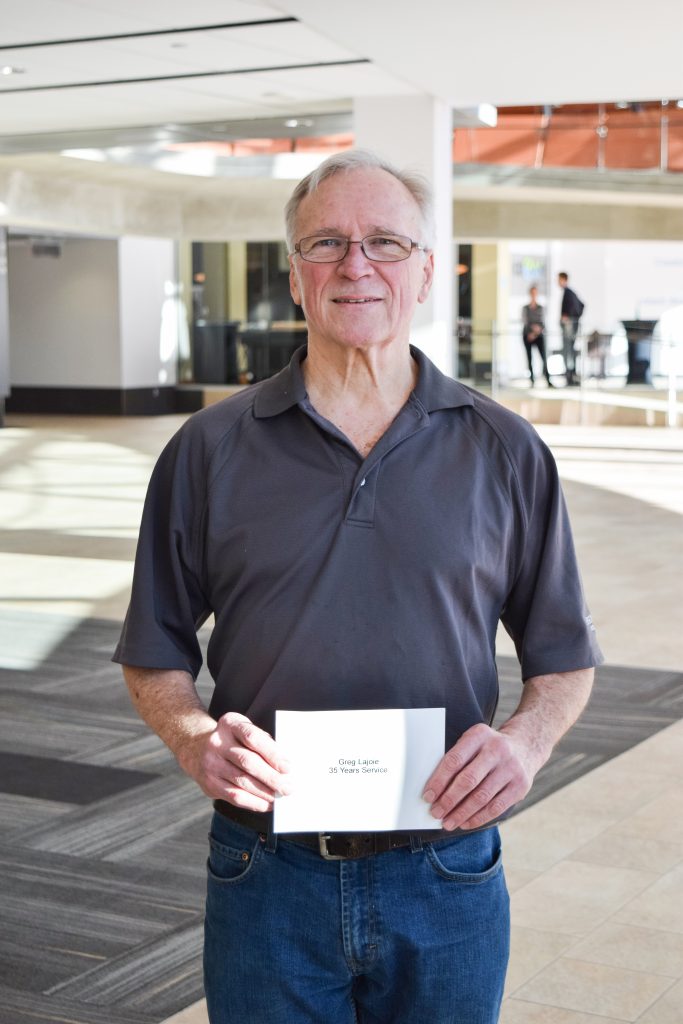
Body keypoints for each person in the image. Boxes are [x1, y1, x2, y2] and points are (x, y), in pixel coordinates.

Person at [114, 149, 602, 1024]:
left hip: (446, 866)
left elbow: (563, 655)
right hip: (266, 870)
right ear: (294, 276)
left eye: (384, 242)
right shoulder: (208, 448)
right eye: (326, 243)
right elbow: (153, 647)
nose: (355, 265)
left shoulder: (504, 449)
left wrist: (523, 747)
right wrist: (192, 739)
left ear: (425, 271)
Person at [521, 284, 553, 386]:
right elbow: (526, 322)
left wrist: (535, 333)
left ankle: (548, 379)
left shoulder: (541, 308)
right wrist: (531, 332)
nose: (534, 295)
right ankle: (532, 380)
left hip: (539, 336)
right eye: (532, 293)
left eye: (535, 293)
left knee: (543, 357)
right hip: (528, 336)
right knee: (529, 358)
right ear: (530, 294)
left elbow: (542, 323)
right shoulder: (525, 308)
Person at [558, 271, 585, 385]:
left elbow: (581, 306)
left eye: (559, 280)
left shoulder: (568, 293)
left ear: (564, 280)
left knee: (568, 350)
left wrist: (569, 317)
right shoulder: (568, 292)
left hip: (569, 327)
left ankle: (571, 375)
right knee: (569, 350)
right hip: (571, 326)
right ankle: (571, 375)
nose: (558, 282)